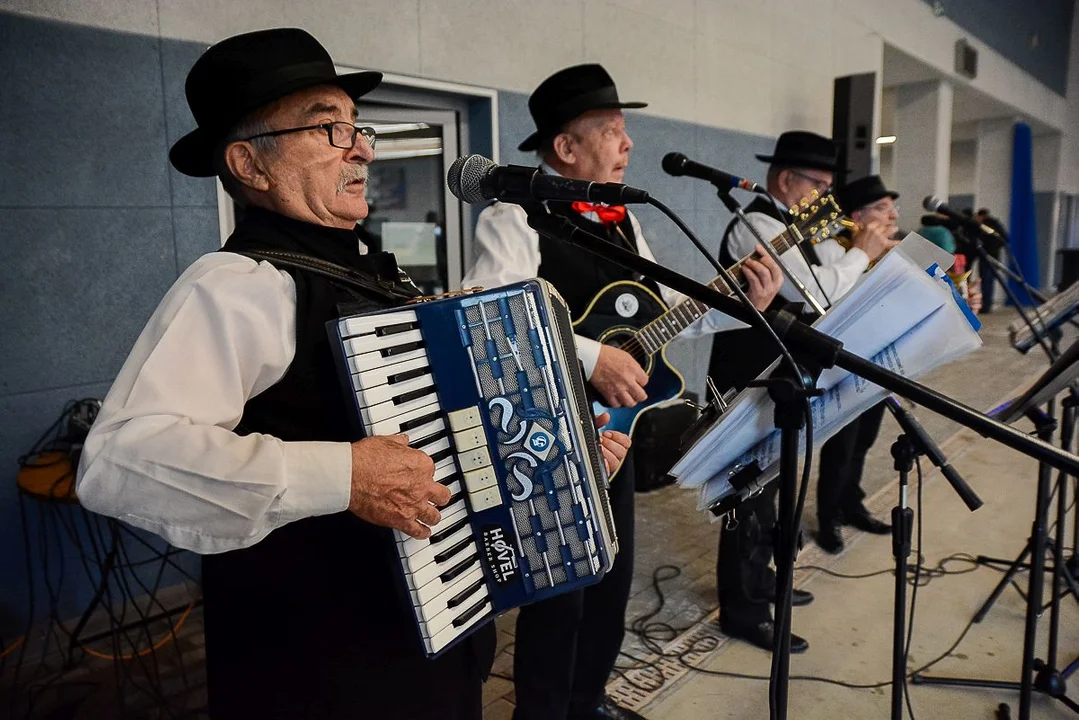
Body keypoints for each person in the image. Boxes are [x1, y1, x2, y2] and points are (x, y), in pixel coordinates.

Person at [74, 30, 631, 720]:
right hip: (321, 664)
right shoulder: (238, 285)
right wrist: (343, 477)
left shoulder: (380, 278)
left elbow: (445, 450)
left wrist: (557, 463)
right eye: (326, 128)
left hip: (435, 634)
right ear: (249, 163)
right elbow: (120, 461)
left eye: (355, 127)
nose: (361, 146)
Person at [462, 64, 785, 720]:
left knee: (609, 578)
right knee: (561, 593)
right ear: (565, 148)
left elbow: (665, 307)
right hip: (548, 433)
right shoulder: (512, 218)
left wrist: (738, 303)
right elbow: (487, 317)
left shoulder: (618, 221)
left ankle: (588, 702)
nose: (627, 143)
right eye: (611, 130)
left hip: (614, 430)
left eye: (624, 130)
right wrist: (590, 357)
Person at [710, 134, 897, 653]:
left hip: (785, 378)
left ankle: (764, 579)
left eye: (829, 189)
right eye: (818, 186)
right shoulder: (759, 224)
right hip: (749, 377)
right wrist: (860, 252)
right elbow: (814, 292)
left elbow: (830, 292)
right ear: (786, 180)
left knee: (776, 489)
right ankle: (742, 610)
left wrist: (863, 258)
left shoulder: (802, 226)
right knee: (747, 496)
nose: (824, 199)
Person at [814, 175, 902, 554]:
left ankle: (852, 503)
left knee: (865, 440)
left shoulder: (893, 250)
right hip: (846, 363)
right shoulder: (832, 251)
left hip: (881, 357)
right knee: (841, 445)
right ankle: (829, 515)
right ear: (857, 217)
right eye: (882, 208)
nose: (893, 214)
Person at [973, 207, 1009, 313]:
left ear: (981, 216)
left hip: (985, 256)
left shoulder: (983, 226)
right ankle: (988, 304)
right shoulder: (997, 225)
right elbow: (1005, 239)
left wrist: (985, 247)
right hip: (995, 257)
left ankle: (985, 306)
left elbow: (978, 239)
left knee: (985, 281)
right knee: (990, 281)